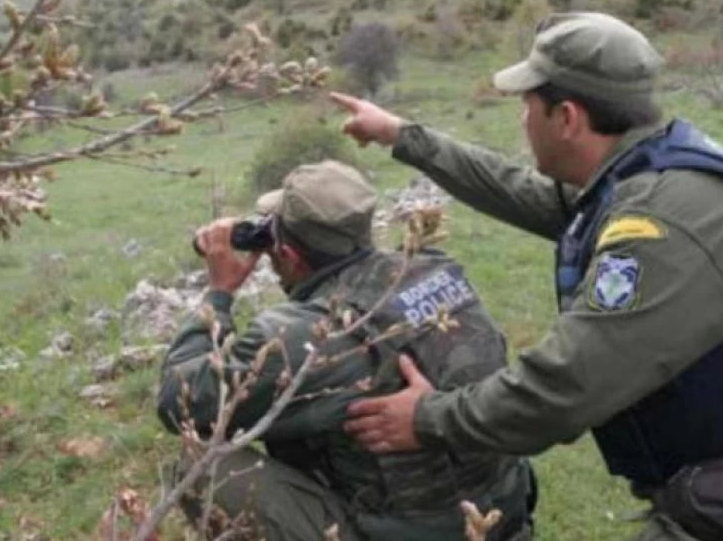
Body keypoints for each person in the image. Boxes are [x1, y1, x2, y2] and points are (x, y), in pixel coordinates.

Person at [330, 11, 723, 540]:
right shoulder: (652, 169)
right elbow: (523, 191)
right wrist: (403, 136)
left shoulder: (661, 224)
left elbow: (563, 388)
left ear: (566, 118)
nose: (521, 119)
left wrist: (427, 418)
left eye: (526, 105)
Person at [156, 160, 535, 541]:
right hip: (499, 514)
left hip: (404, 531)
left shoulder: (308, 335)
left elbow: (179, 404)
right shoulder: (436, 270)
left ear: (289, 255)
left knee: (199, 467)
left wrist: (218, 293)